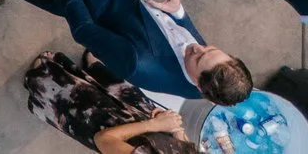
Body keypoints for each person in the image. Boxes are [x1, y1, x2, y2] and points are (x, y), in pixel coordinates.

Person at [0, 0, 254, 110]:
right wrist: (178, 12)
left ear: (198, 86)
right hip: (127, 12)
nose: (197, 47)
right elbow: (193, 41)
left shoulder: (138, 63)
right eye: (210, 48)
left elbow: (84, 31)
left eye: (198, 56)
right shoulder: (208, 73)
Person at [24, 50, 203, 154]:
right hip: (143, 120)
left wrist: (153, 125)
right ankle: (94, 68)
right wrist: (176, 130)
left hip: (108, 125)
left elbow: (103, 139)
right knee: (123, 92)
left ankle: (43, 75)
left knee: (80, 98)